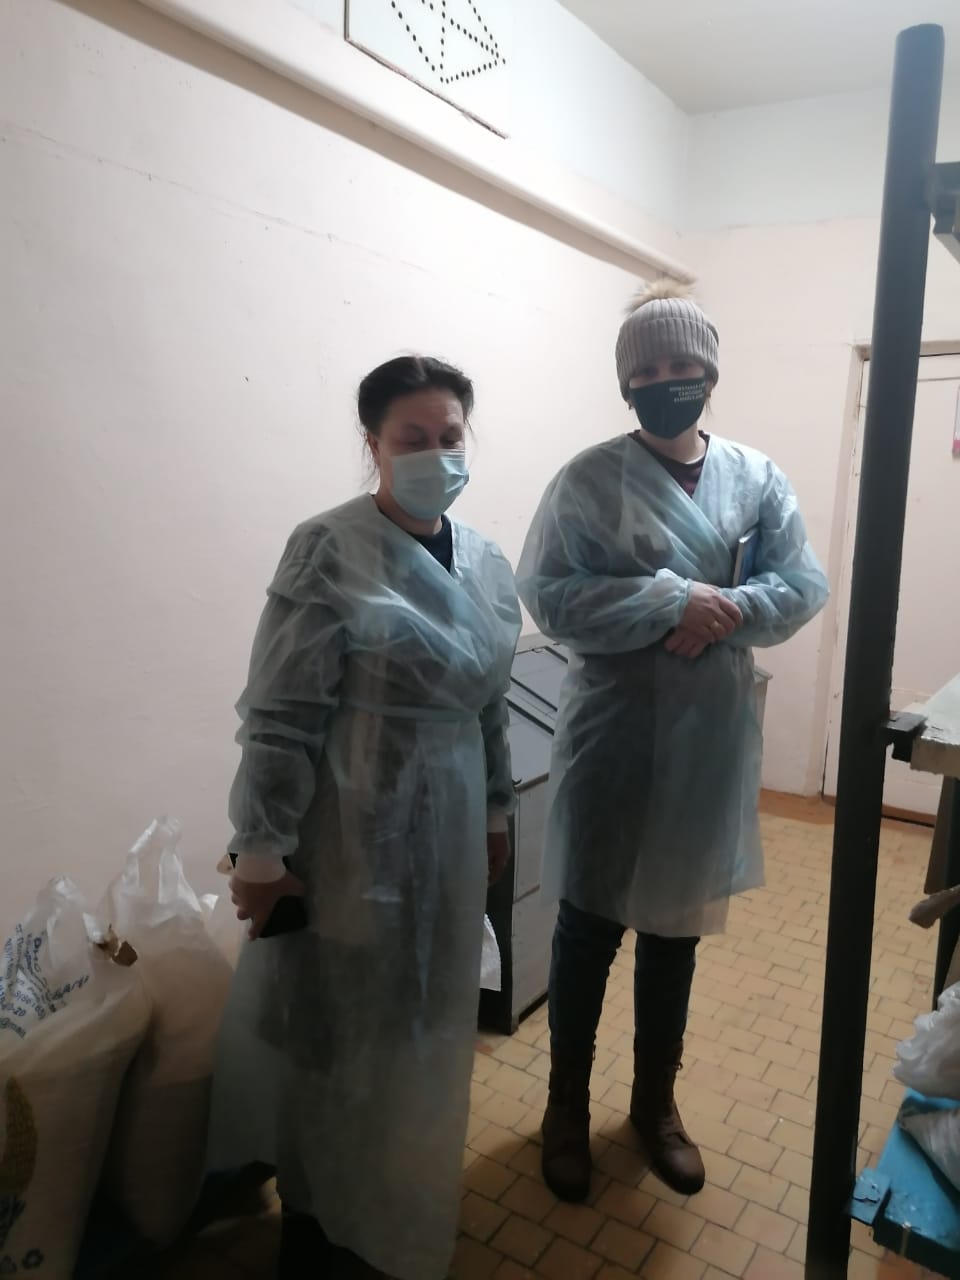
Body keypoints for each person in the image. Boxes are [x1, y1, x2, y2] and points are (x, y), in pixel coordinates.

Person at [208, 356, 522, 1280]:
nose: (435, 454)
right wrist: (261, 853)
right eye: (411, 438)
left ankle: (393, 1202)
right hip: (348, 830)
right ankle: (319, 1227)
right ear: (373, 443)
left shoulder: (487, 563)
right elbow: (281, 713)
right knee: (336, 1030)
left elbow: (492, 705)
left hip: (451, 827)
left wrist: (496, 809)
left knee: (424, 1022)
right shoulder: (328, 549)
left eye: (450, 437)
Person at [516, 281, 829, 1203]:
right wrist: (667, 601)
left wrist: (722, 608)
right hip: (612, 734)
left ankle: (655, 1107)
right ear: (626, 384)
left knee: (673, 931)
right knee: (587, 927)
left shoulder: (757, 478)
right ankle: (565, 1107)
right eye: (646, 368)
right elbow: (552, 596)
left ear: (710, 373)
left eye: (682, 364)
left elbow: (800, 586)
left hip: (706, 738)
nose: (665, 380)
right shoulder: (586, 481)